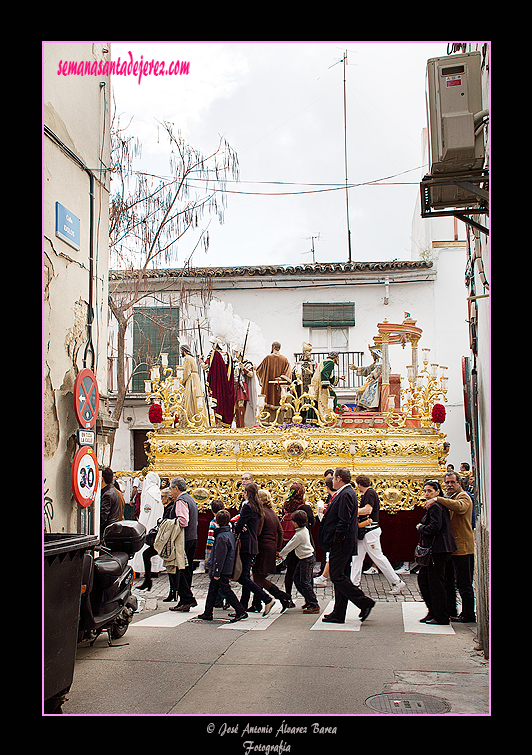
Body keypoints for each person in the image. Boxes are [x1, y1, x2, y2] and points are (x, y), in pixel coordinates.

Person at [318, 467, 375, 624]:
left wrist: (336, 538)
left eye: (334, 478)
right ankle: (339, 612)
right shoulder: (344, 493)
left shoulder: (345, 494)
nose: (332, 481)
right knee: (340, 575)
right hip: (342, 542)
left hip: (341, 543)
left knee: (337, 576)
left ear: (339, 479)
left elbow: (343, 520)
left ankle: (364, 602)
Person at [424, 472, 476, 623]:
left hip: (463, 547)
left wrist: (437, 499)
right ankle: (452, 609)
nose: (449, 485)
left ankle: (468, 613)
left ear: (459, 483)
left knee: (464, 583)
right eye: (447, 482)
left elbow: (460, 508)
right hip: (451, 547)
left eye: (452, 482)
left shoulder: (463, 497)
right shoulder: (448, 498)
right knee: (449, 581)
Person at [350, 475, 406, 594]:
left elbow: (368, 510)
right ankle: (354, 584)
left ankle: (397, 581)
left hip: (369, 531)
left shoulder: (369, 493)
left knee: (378, 557)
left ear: (359, 484)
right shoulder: (369, 493)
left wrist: (352, 511)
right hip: (365, 531)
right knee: (357, 558)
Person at [416, 480, 457, 625]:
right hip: (439, 549)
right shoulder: (436, 506)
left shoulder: (435, 507)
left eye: (430, 491)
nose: (427, 494)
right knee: (426, 580)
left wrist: (420, 528)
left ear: (437, 492)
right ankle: (434, 611)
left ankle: (440, 615)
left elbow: (434, 527)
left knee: (434, 583)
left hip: (437, 550)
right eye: (425, 491)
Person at [197, 509, 249, 623]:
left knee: (225, 589)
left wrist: (216, 572)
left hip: (221, 569)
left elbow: (220, 557)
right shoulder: (228, 534)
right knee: (213, 590)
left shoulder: (221, 537)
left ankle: (240, 610)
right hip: (225, 567)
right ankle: (207, 612)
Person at [233, 482, 276, 616]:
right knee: (245, 576)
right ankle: (243, 606)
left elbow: (239, 525)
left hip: (246, 544)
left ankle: (267, 599)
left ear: (246, 493)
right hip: (252, 543)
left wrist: (238, 526)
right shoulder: (257, 507)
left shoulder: (248, 507)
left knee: (242, 577)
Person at [250, 489, 292, 612]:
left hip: (262, 547)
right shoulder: (272, 513)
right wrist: (278, 548)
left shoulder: (261, 513)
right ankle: (256, 603)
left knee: (258, 578)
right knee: (259, 575)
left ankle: (282, 596)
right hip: (271, 547)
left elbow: (258, 532)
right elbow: (280, 531)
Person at [280, 483, 315, 606]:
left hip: (289, 540)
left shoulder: (286, 506)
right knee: (306, 575)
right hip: (303, 543)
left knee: (290, 571)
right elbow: (312, 522)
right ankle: (309, 599)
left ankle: (288, 597)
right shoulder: (305, 508)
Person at [279, 510, 320, 613]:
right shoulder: (303, 530)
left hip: (306, 559)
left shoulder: (299, 534)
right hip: (304, 559)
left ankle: (314, 604)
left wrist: (280, 554)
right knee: (297, 579)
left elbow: (290, 546)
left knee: (305, 582)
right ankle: (308, 599)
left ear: (296, 522)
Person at [168, 477, 198, 612]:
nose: (170, 491)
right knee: (186, 570)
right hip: (192, 538)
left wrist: (169, 525)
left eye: (170, 488)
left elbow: (183, 521)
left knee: (181, 569)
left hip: (183, 540)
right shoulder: (190, 499)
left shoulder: (181, 501)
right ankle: (184, 600)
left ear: (176, 488)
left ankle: (188, 598)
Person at [132, 472, 164, 589]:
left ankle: (143, 571)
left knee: (145, 549)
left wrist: (141, 523)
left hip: (148, 524)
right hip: (156, 524)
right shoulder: (158, 493)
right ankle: (155, 569)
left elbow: (146, 510)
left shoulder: (149, 494)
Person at [256, 341, 292, 423]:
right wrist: (281, 378)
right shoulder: (284, 359)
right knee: (280, 402)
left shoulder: (267, 358)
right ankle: (278, 422)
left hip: (268, 387)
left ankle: (267, 422)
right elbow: (288, 374)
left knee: (268, 400)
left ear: (272, 347)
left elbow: (259, 370)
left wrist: (256, 369)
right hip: (279, 387)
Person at [201, 342, 235, 427]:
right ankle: (224, 423)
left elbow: (205, 366)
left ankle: (218, 423)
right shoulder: (228, 355)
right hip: (227, 384)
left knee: (216, 401)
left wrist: (200, 360)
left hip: (217, 382)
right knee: (223, 402)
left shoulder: (213, 353)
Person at [314, 471, 335, 586]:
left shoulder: (338, 496)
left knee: (330, 553)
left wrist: (326, 510)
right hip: (332, 529)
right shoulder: (335, 496)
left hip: (333, 529)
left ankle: (324, 576)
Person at [180, 345, 209, 426]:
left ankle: (191, 419)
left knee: (190, 399)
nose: (180, 352)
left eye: (181, 350)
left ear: (184, 350)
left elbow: (186, 372)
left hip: (191, 380)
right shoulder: (191, 358)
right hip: (195, 379)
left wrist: (182, 382)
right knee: (196, 399)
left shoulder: (188, 358)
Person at [100, 467, 122, 539]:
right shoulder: (113, 491)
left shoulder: (107, 495)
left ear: (102, 479)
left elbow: (103, 517)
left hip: (107, 531)